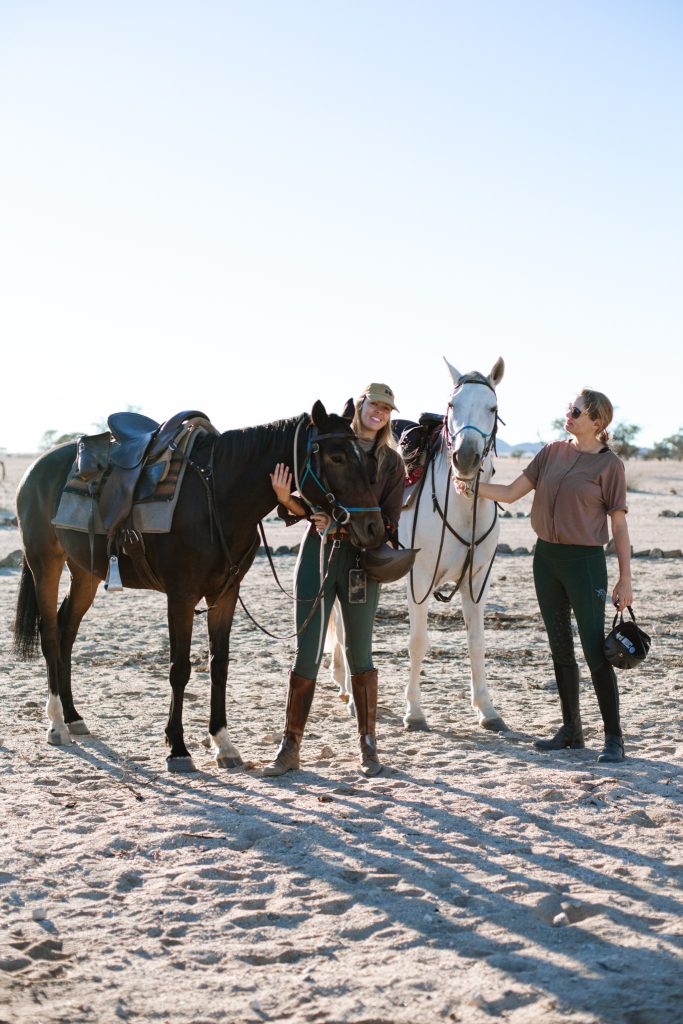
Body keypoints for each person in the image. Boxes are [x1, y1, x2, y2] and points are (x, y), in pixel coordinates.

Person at [456, 388, 632, 763]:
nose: (568, 414)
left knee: (592, 648)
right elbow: (509, 492)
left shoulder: (609, 465)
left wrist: (625, 578)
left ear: (597, 421)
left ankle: (614, 737)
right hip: (546, 560)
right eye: (569, 408)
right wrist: (470, 487)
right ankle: (572, 730)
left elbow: (619, 527)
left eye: (576, 411)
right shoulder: (551, 452)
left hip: (585, 564)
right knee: (559, 645)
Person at [264, 384, 406, 778]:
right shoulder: (324, 443)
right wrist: (289, 499)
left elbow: (388, 522)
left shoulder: (391, 463)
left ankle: (369, 746)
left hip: (361, 563)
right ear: (359, 405)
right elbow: (303, 500)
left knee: (361, 654)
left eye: (386, 408)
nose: (379, 412)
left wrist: (343, 523)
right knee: (306, 652)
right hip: (317, 554)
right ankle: (290, 746)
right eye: (373, 404)